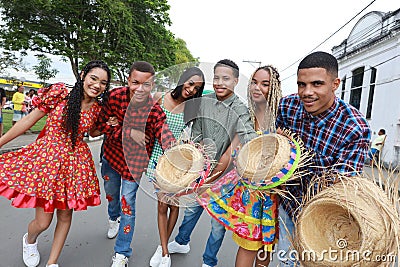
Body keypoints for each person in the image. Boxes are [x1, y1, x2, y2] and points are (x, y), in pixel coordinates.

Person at [0, 60, 111, 267]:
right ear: (83, 76)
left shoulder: (98, 109)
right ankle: (29, 240)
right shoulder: (60, 94)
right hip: (47, 161)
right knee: (43, 222)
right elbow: (28, 121)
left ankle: (53, 261)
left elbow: (93, 131)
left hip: (75, 163)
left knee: (66, 215)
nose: (97, 85)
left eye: (103, 83)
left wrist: (109, 125)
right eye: (93, 78)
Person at [275, 51, 371, 266]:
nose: (307, 92)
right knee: (286, 262)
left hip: (322, 218)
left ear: (335, 83)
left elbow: (342, 186)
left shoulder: (355, 128)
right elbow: (277, 145)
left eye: (317, 84)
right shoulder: (287, 106)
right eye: (301, 84)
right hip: (288, 206)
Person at [168, 59, 258, 267]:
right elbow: (197, 131)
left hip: (225, 177)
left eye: (225, 78)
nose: (219, 82)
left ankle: (209, 260)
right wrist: (198, 160)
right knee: (192, 210)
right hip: (203, 169)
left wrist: (255, 146)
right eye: (216, 77)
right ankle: (182, 242)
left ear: (235, 81)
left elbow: (247, 135)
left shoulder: (240, 109)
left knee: (218, 224)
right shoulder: (205, 101)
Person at [92, 61, 176, 267]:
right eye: (136, 82)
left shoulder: (154, 109)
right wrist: (128, 131)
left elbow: (163, 130)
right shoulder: (114, 97)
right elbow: (97, 127)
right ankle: (113, 218)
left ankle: (122, 253)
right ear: (129, 80)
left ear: (152, 85)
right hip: (111, 157)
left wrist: (175, 152)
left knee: (127, 205)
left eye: (146, 85)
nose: (140, 89)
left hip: (135, 164)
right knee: (112, 195)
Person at [148, 67, 205, 267]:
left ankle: (162, 245)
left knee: (175, 206)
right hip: (157, 161)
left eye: (196, 89)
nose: (191, 90)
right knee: (163, 204)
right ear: (182, 81)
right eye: (190, 84)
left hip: (178, 164)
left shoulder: (191, 109)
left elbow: (190, 136)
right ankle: (164, 251)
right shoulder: (159, 97)